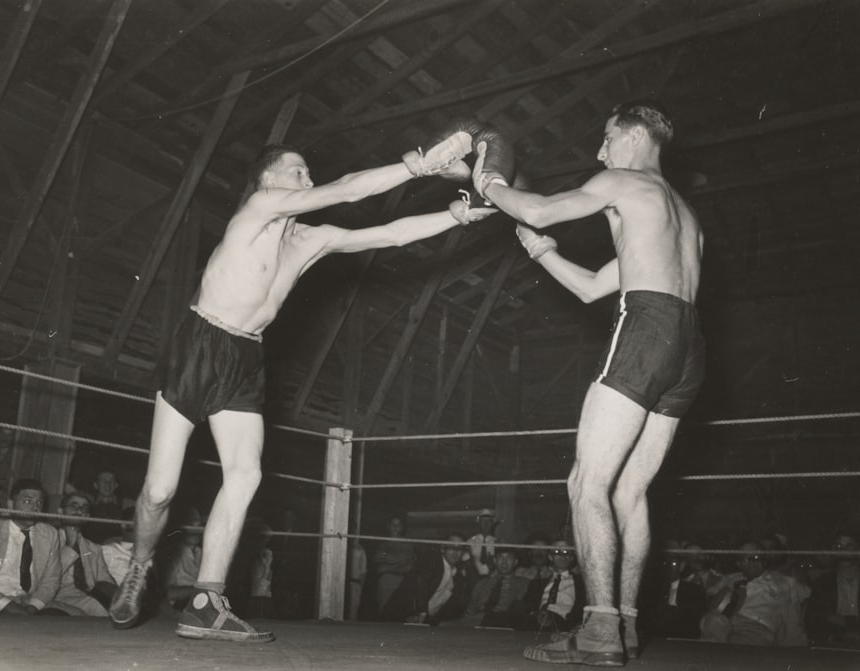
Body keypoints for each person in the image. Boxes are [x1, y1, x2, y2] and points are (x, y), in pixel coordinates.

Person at [108, 134, 489, 642]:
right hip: (200, 344)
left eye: (309, 173)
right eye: (298, 171)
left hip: (246, 358)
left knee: (245, 476)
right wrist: (416, 167)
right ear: (268, 180)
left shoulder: (310, 240)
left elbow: (391, 234)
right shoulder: (257, 209)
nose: (307, 179)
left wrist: (456, 217)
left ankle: (205, 600)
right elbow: (349, 189)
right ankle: (140, 563)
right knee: (159, 491)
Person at [473, 100, 704, 666]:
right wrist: (540, 251)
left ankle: (597, 630)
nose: (599, 152)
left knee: (587, 483)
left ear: (630, 137)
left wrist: (491, 183)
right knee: (629, 491)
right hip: (689, 347)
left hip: (647, 329)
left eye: (605, 139)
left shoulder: (621, 179)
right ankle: (621, 627)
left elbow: (545, 209)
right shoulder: (683, 215)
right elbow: (592, 286)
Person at [0, 478, 63, 615]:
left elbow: (52, 580)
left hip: (28, 601)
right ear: (10, 504)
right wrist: (10, 607)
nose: (35, 507)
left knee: (75, 616)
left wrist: (33, 606)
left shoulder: (50, 534)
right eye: (27, 501)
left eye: (39, 502)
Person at [48, 492, 117, 616]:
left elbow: (105, 580)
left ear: (88, 516)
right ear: (60, 511)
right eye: (73, 506)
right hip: (53, 597)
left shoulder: (93, 548)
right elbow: (47, 576)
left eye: (84, 508)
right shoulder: (48, 539)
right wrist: (70, 545)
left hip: (85, 597)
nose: (78, 510)